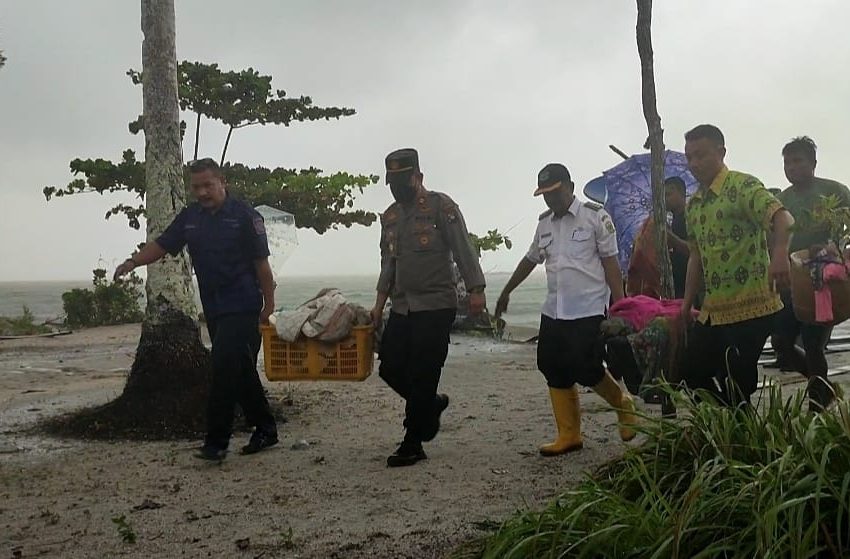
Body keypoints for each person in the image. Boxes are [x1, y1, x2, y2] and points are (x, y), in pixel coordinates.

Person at [113, 158, 278, 460]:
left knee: (222, 366)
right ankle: (266, 427)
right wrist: (133, 262)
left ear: (221, 182)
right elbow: (162, 244)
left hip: (243, 305)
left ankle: (216, 442)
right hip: (213, 307)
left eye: (208, 185)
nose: (202, 192)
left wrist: (269, 306)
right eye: (196, 187)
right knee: (239, 369)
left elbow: (262, 266)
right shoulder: (190, 218)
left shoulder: (245, 217)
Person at [495, 163, 637, 456]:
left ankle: (622, 403)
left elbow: (611, 264)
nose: (550, 199)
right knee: (550, 364)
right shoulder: (545, 223)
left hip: (587, 307)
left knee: (585, 367)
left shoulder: (595, 217)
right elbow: (530, 259)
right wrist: (507, 290)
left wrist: (620, 305)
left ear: (570, 186)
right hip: (554, 309)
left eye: (555, 192)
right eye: (545, 194)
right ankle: (569, 434)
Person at [372, 148, 486, 467]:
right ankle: (430, 405)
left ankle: (412, 441)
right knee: (390, 367)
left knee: (424, 371)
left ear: (418, 177)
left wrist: (476, 290)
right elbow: (388, 265)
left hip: (436, 303)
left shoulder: (441, 207)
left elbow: (463, 248)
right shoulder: (391, 217)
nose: (397, 188)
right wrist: (378, 304)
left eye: (402, 180)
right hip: (403, 305)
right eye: (391, 182)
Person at [679, 125, 794, 405]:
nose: (694, 163)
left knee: (737, 379)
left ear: (721, 152)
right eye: (689, 157)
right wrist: (685, 304)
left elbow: (784, 219)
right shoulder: (693, 205)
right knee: (689, 373)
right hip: (714, 308)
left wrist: (779, 256)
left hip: (752, 304)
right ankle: (732, 423)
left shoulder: (742, 186)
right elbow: (696, 256)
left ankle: (741, 436)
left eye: (701, 155)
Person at [771, 136, 850, 411]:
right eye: (787, 163)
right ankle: (825, 388)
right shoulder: (781, 201)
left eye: (798, 161)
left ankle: (817, 409)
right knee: (780, 342)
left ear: (813, 163)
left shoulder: (835, 191)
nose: (791, 167)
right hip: (791, 281)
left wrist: (835, 247)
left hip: (823, 282)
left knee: (815, 344)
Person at [626, 176, 691, 298]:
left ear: (682, 193)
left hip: (691, 285)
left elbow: (696, 251)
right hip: (676, 285)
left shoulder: (691, 217)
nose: (665, 199)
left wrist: (672, 239)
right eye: (663, 196)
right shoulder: (671, 221)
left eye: (669, 194)